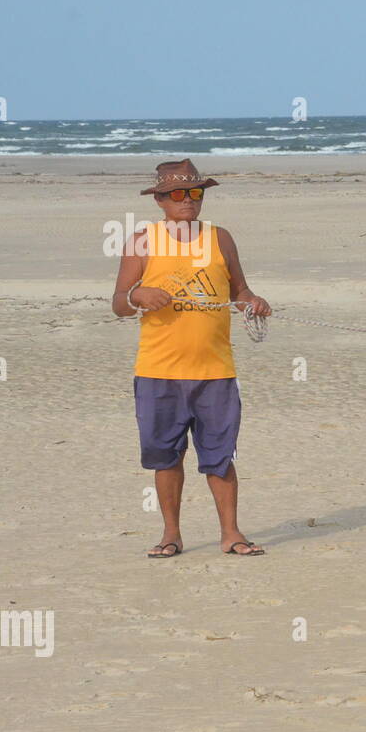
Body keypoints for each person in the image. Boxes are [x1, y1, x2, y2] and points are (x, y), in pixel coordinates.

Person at [111, 159, 271, 558]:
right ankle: (171, 535)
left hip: (215, 371)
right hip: (158, 371)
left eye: (195, 193)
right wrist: (137, 296)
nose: (188, 201)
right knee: (165, 456)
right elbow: (118, 302)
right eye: (179, 194)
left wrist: (254, 303)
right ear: (161, 200)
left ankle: (231, 534)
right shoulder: (142, 241)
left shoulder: (221, 238)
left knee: (220, 456)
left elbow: (240, 292)